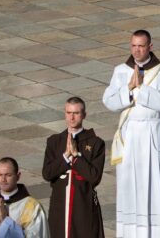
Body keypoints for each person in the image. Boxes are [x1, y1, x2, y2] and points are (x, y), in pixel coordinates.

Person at [102, 30, 160, 237]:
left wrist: (141, 89)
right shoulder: (121, 70)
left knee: (153, 182)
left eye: (141, 46)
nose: (137, 50)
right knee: (129, 183)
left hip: (152, 133)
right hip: (130, 134)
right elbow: (108, 101)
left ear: (150, 47)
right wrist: (127, 89)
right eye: (134, 46)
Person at [42, 97, 104, 237]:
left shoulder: (95, 143)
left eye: (76, 113)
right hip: (60, 203)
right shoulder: (54, 141)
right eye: (69, 112)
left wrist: (76, 157)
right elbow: (47, 173)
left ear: (84, 115)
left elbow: (95, 177)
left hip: (83, 203)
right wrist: (65, 157)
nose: (72, 117)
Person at [0, 158, 48, 238]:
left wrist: (6, 223)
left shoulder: (33, 207)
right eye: (0, 175)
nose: (3, 180)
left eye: (8, 175)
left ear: (18, 176)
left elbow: (38, 235)